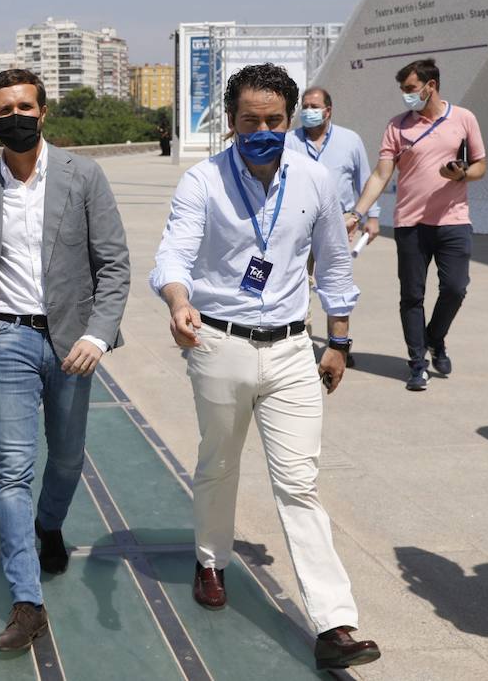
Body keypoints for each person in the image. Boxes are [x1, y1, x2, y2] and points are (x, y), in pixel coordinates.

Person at [150, 63, 380, 671]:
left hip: (289, 348)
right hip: (218, 343)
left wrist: (339, 340)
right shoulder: (202, 181)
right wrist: (178, 301)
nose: (262, 129)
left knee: (299, 482)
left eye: (274, 120)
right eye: (249, 120)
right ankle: (210, 561)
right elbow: (173, 251)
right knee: (219, 464)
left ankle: (335, 624)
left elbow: (333, 264)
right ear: (231, 122)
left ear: (289, 119)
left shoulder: (314, 181)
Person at [0, 69, 130, 652]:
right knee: (12, 470)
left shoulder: (84, 176)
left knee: (68, 458)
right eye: (4, 110)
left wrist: (99, 336)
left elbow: (114, 266)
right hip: (6, 338)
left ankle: (49, 524)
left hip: (73, 344)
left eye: (25, 107)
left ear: (43, 112)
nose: (16, 117)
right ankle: (27, 601)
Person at [347, 58, 487, 391]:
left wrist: (463, 173)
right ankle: (417, 363)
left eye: (411, 89)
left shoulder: (463, 118)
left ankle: (435, 339)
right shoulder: (397, 126)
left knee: (455, 288)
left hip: (453, 221)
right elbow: (382, 174)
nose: (407, 96)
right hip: (410, 224)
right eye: (404, 90)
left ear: (431, 86)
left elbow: (481, 164)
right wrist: (357, 213)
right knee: (412, 295)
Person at [287, 87, 377, 365]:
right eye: (305, 106)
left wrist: (370, 217)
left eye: (314, 106)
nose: (308, 111)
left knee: (335, 284)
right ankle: (299, 344)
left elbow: (365, 179)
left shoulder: (350, 141)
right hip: (298, 226)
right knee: (298, 285)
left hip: (338, 226)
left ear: (328, 110)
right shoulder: (289, 141)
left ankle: (337, 346)